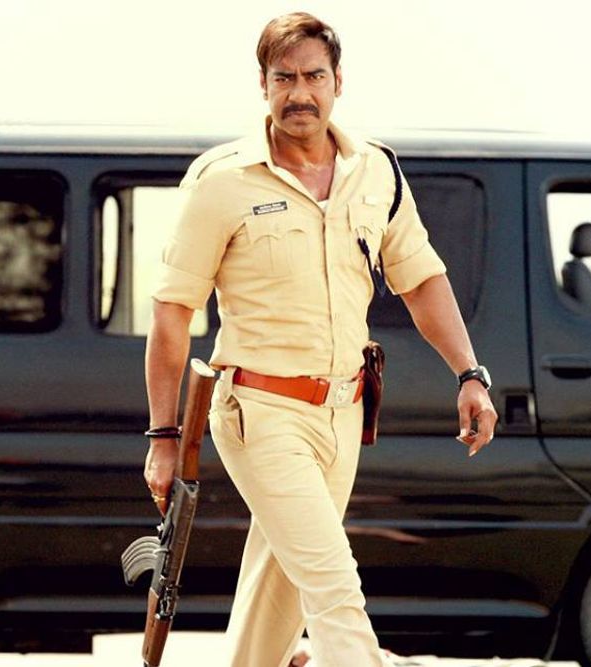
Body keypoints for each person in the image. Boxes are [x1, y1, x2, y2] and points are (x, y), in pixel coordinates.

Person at [143, 12, 497, 667]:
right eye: (284, 78)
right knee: (335, 589)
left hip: (344, 413)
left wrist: (469, 373)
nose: (299, 93)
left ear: (338, 82)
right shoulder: (222, 180)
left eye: (313, 77)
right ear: (263, 84)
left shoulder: (376, 171)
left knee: (277, 596)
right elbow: (172, 313)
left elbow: (421, 279)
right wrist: (164, 438)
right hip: (259, 412)